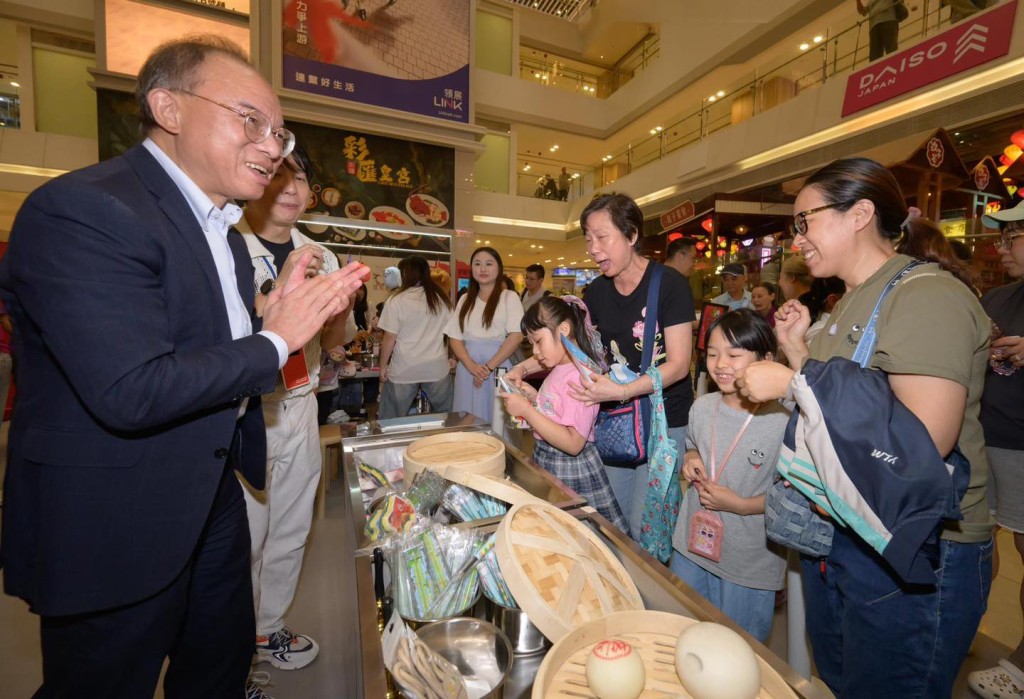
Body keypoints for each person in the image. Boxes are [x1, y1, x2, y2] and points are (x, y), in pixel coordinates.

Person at [0, 35, 368, 699]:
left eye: (279, 133)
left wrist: (268, 324)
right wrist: (276, 340)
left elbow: (208, 352)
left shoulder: (222, 233)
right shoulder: (87, 210)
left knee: (218, 671)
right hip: (115, 513)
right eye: (251, 121)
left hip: (211, 489)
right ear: (168, 108)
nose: (273, 148)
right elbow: (129, 387)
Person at [737, 157, 992, 697]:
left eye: (806, 220)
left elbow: (923, 442)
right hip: (851, 533)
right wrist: (799, 353)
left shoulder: (926, 296)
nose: (797, 238)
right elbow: (839, 408)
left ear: (860, 214)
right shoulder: (854, 298)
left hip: (920, 550)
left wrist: (788, 382)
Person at [506, 193, 695, 539]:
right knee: (611, 519)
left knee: (647, 526)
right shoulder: (595, 293)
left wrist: (621, 390)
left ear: (632, 235)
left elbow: (680, 365)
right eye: (588, 239)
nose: (593, 248)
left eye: (602, 236)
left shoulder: (670, 285)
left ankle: (649, 591)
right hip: (615, 423)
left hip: (663, 422)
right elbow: (568, 347)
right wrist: (524, 368)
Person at [236, 145, 355, 674]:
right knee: (243, 534)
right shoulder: (226, 242)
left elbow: (332, 340)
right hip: (241, 408)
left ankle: (268, 628)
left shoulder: (321, 257)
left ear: (311, 192)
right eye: (278, 173)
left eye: (300, 176)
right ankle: (231, 645)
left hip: (301, 402)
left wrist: (339, 312)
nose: (289, 186)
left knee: (290, 528)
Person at [670, 309, 789, 642]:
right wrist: (690, 458)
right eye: (711, 354)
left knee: (740, 650)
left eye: (734, 355)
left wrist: (741, 504)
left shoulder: (784, 421)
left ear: (767, 359)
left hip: (748, 564)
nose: (720, 363)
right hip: (690, 549)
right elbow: (692, 445)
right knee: (684, 636)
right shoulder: (703, 407)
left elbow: (795, 498)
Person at [501, 296, 628, 531]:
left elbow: (572, 442)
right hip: (549, 459)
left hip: (571, 468)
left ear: (564, 329)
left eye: (538, 341)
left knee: (580, 536)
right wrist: (534, 399)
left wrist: (527, 411)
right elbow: (555, 415)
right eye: (531, 344)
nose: (536, 352)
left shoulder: (582, 377)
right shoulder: (560, 367)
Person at [967, 201, 1024, 699]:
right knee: (977, 543)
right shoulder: (999, 296)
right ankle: (965, 622)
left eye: (1013, 238)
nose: (1001, 248)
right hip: (986, 439)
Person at [445, 247, 524, 422]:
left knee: (498, 420)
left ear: (499, 268)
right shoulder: (465, 300)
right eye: (477, 264)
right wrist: (471, 366)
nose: (483, 269)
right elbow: (454, 337)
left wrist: (487, 368)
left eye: (489, 264)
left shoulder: (509, 297)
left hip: (499, 368)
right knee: (467, 417)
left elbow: (516, 336)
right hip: (468, 369)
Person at [378, 255, 454, 419]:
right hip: (436, 368)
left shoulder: (396, 300)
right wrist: (453, 357)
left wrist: (383, 366)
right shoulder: (441, 299)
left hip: (404, 368)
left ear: (404, 274)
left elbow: (389, 338)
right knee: (447, 417)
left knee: (391, 420)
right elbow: (452, 334)